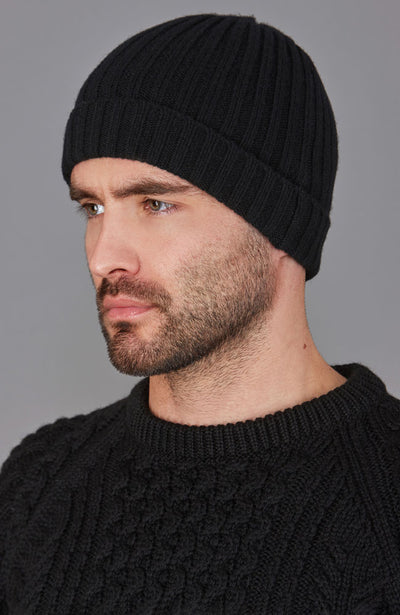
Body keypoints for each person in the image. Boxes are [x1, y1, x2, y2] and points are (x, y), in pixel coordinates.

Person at [1, 13, 399, 614]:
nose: (104, 257)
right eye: (93, 208)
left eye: (155, 203)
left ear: (279, 223)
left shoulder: (386, 502)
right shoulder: (39, 482)